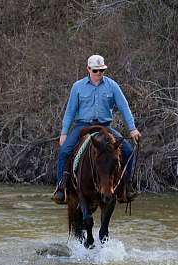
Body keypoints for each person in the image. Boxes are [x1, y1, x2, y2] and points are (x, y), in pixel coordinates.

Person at [52, 54, 142, 205]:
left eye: (102, 70)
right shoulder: (78, 87)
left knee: (127, 150)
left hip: (104, 127)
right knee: (65, 151)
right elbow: (70, 112)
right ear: (88, 69)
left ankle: (126, 187)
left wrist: (132, 129)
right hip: (82, 126)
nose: (99, 73)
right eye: (95, 71)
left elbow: (124, 107)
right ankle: (62, 188)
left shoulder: (112, 85)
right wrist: (64, 132)